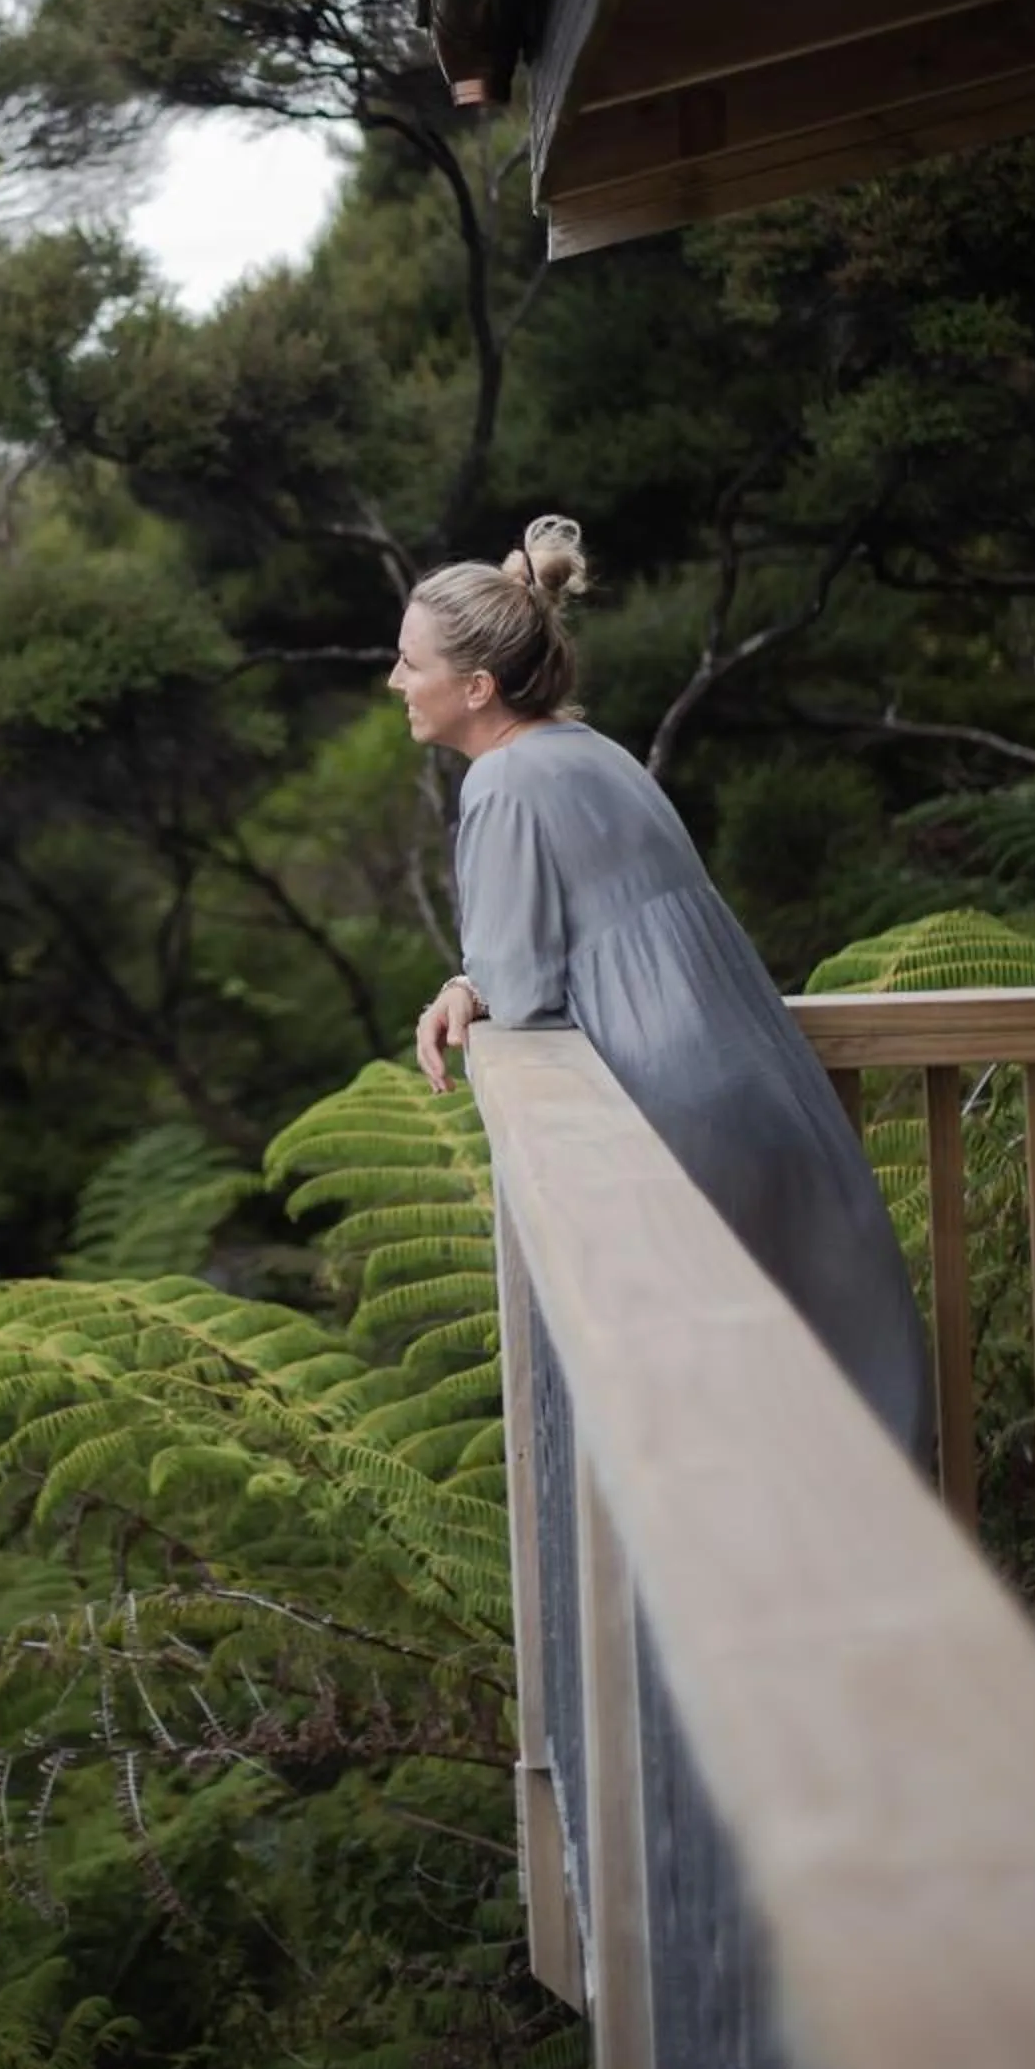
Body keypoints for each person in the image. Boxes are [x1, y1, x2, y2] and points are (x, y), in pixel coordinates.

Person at [391, 514, 932, 1464]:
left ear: (476, 688)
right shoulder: (589, 750)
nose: (396, 681)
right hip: (755, 1080)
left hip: (672, 1112)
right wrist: (477, 980)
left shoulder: (502, 782)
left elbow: (521, 984)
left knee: (709, 1424)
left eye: (409, 663)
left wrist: (470, 984)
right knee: (821, 1387)